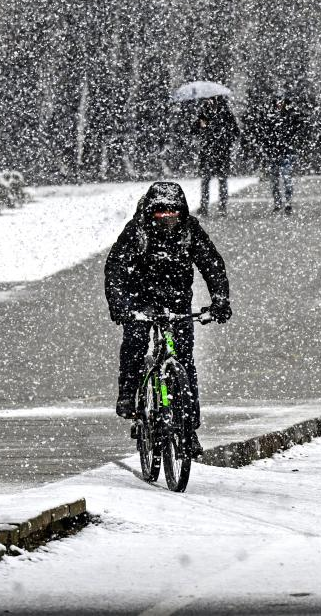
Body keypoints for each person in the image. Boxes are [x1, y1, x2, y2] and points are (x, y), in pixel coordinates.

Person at [104, 181, 232, 456]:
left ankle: (189, 429)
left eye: (173, 214)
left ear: (181, 213)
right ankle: (128, 394)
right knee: (136, 342)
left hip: (177, 300)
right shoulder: (136, 231)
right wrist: (121, 306)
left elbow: (211, 263)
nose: (167, 219)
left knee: (184, 359)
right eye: (161, 214)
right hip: (140, 299)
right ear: (151, 212)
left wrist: (220, 300)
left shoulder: (190, 230)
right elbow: (115, 268)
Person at [253, 95, 306, 214]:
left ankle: (287, 202)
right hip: (275, 153)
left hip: (285, 152)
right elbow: (264, 135)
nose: (279, 105)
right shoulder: (270, 118)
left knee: (286, 178)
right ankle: (278, 202)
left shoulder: (290, 117)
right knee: (275, 180)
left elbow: (297, 131)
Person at [190, 96, 241, 217]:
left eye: (213, 100)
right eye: (208, 100)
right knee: (206, 180)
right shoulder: (204, 114)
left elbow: (236, 132)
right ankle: (204, 206)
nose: (210, 102)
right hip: (207, 152)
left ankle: (222, 207)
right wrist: (201, 126)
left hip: (222, 153)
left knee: (222, 180)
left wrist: (225, 139)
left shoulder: (226, 114)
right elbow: (193, 130)